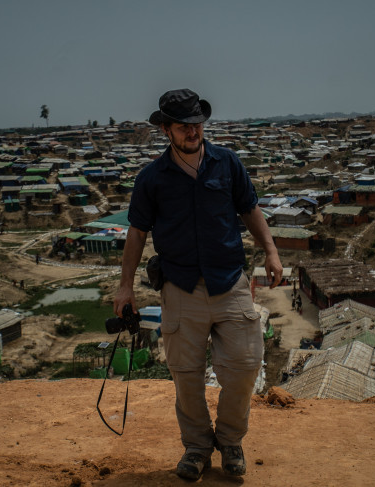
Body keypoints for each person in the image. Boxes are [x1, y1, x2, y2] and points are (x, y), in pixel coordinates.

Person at [113, 89, 282, 480]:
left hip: (230, 281)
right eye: (183, 126)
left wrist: (271, 252)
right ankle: (196, 448)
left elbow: (250, 209)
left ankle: (231, 441)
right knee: (186, 374)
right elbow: (137, 233)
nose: (192, 131)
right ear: (167, 131)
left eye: (196, 124)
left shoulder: (227, 163)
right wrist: (125, 288)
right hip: (181, 287)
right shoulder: (152, 178)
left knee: (243, 366)